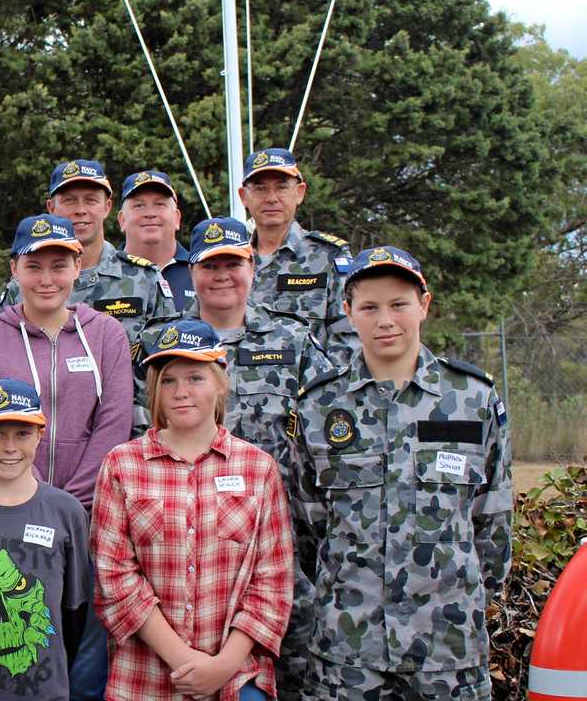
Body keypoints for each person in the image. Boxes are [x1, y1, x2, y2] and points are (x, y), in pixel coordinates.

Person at [287, 246, 512, 700]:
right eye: (369, 307)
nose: (384, 320)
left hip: (448, 650)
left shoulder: (473, 399)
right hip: (348, 651)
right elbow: (305, 525)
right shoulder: (318, 406)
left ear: (424, 305)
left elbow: (494, 521)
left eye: (398, 304)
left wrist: (459, 597)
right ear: (348, 313)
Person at [137, 216, 331, 698]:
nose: (222, 275)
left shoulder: (293, 340)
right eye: (210, 265)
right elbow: (141, 431)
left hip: (280, 538)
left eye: (234, 263)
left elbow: (327, 432)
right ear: (192, 271)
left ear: (253, 268)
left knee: (293, 668)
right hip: (187, 541)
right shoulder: (159, 344)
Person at [0, 213, 132, 701]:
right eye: (34, 266)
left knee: (84, 649)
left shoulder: (106, 335)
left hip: (93, 516)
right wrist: (37, 500)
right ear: (14, 269)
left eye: (59, 265)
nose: (46, 278)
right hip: (10, 516)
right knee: (17, 637)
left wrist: (67, 504)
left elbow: (114, 423)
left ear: (78, 268)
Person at [92, 319, 294, 701]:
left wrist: (220, 668)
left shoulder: (258, 468)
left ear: (219, 382)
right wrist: (184, 660)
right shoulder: (122, 465)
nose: (181, 392)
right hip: (146, 678)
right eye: (168, 380)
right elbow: (114, 576)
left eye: (195, 378)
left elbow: (273, 580)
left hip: (235, 677)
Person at [0, 378, 92, 701]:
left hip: (45, 691)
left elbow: (75, 611)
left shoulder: (68, 513)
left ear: (40, 434)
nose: (10, 447)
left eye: (22, 433)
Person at [0, 160, 177, 351]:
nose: (80, 210)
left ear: (107, 207)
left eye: (91, 200)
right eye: (69, 200)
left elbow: (164, 359)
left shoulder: (145, 278)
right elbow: (4, 353)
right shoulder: (23, 286)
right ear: (51, 207)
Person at [237, 148, 357, 364]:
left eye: (281, 188)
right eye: (261, 189)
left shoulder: (328, 257)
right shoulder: (228, 261)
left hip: (312, 392)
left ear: (299, 193)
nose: (271, 198)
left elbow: (350, 334)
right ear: (244, 197)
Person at [118, 169, 194, 310]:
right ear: (122, 220)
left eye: (159, 205)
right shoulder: (102, 275)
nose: (150, 214)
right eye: (139, 206)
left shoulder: (201, 273)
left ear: (177, 218)